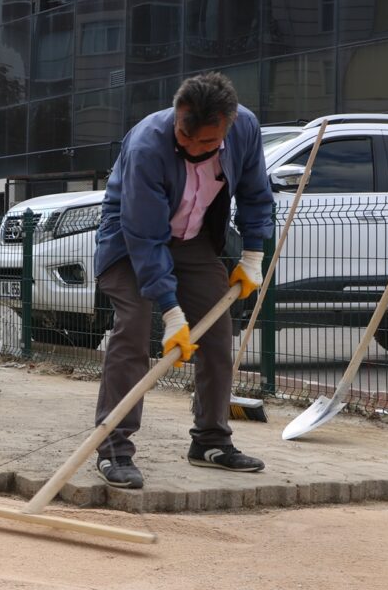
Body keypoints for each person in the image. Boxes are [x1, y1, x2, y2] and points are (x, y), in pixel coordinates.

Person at [92, 72, 274, 489]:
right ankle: (113, 447)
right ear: (177, 115)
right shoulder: (146, 147)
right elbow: (145, 237)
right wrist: (172, 313)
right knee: (135, 329)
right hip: (130, 242)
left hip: (192, 241)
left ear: (226, 125)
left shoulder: (245, 128)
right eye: (184, 138)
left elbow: (254, 192)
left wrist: (252, 255)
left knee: (216, 331)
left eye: (206, 144)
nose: (192, 150)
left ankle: (210, 441)